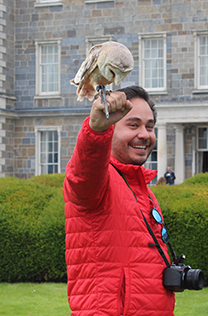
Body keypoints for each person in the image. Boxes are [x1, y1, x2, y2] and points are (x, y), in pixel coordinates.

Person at [63, 86, 175, 316]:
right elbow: (83, 171)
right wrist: (96, 129)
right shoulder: (97, 179)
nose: (144, 134)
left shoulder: (142, 188)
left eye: (150, 127)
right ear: (109, 128)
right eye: (133, 125)